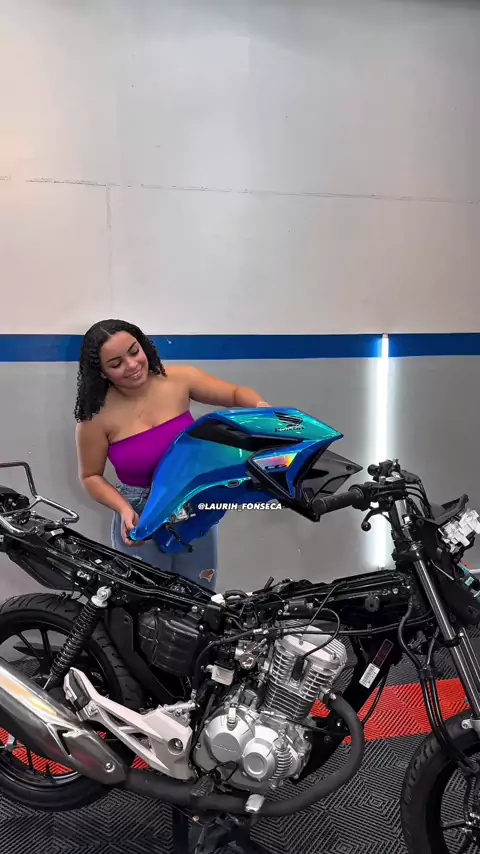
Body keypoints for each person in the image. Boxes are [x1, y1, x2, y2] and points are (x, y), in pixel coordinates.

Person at [74, 319, 269, 590]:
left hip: (192, 501)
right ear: (102, 372)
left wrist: (262, 408)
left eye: (134, 351)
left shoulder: (179, 379)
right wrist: (123, 508)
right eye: (116, 363)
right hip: (140, 512)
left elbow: (236, 394)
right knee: (145, 601)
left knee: (199, 596)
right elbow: (90, 476)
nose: (132, 365)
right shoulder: (94, 419)